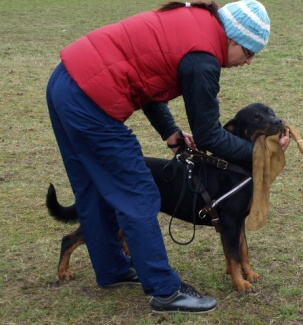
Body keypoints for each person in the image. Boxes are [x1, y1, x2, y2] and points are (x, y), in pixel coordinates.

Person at [46, 0, 289, 314]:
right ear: (232, 39)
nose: (248, 62)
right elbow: (209, 136)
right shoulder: (203, 58)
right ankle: (166, 291)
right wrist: (260, 154)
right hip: (89, 100)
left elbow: (147, 82)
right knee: (139, 193)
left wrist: (171, 134)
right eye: (249, 53)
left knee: (94, 191)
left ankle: (113, 269)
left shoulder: (194, 23)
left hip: (65, 82)